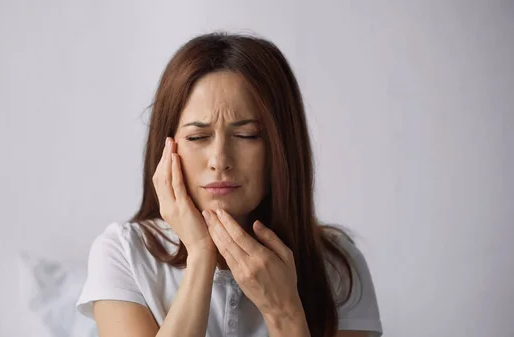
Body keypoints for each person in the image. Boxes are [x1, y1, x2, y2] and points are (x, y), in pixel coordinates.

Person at [76, 32, 383, 337]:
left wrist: (284, 312)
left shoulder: (337, 266)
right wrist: (200, 255)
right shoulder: (123, 252)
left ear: (282, 146)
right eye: (197, 137)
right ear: (168, 148)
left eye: (246, 135)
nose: (219, 160)